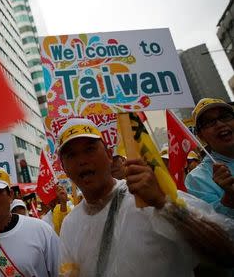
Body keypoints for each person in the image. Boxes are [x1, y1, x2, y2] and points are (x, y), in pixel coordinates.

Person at [57, 118, 234, 277]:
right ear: (64, 168)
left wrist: (163, 204)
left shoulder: (148, 195)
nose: (82, 160)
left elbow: (226, 252)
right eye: (71, 155)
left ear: (110, 155)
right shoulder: (70, 224)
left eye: (90, 149)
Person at [185, 98, 234, 218]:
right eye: (209, 122)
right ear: (200, 136)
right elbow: (216, 228)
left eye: (225, 117)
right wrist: (229, 199)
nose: (220, 124)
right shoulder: (196, 179)